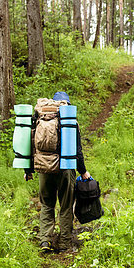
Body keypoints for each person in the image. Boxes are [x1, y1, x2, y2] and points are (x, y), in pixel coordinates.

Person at [25, 91, 90, 252]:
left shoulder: (39, 118)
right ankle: (64, 243)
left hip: (43, 167)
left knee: (47, 204)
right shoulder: (68, 120)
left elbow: (30, 143)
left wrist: (29, 169)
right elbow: (77, 150)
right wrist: (83, 171)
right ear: (66, 104)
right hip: (65, 168)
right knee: (66, 206)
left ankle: (45, 241)